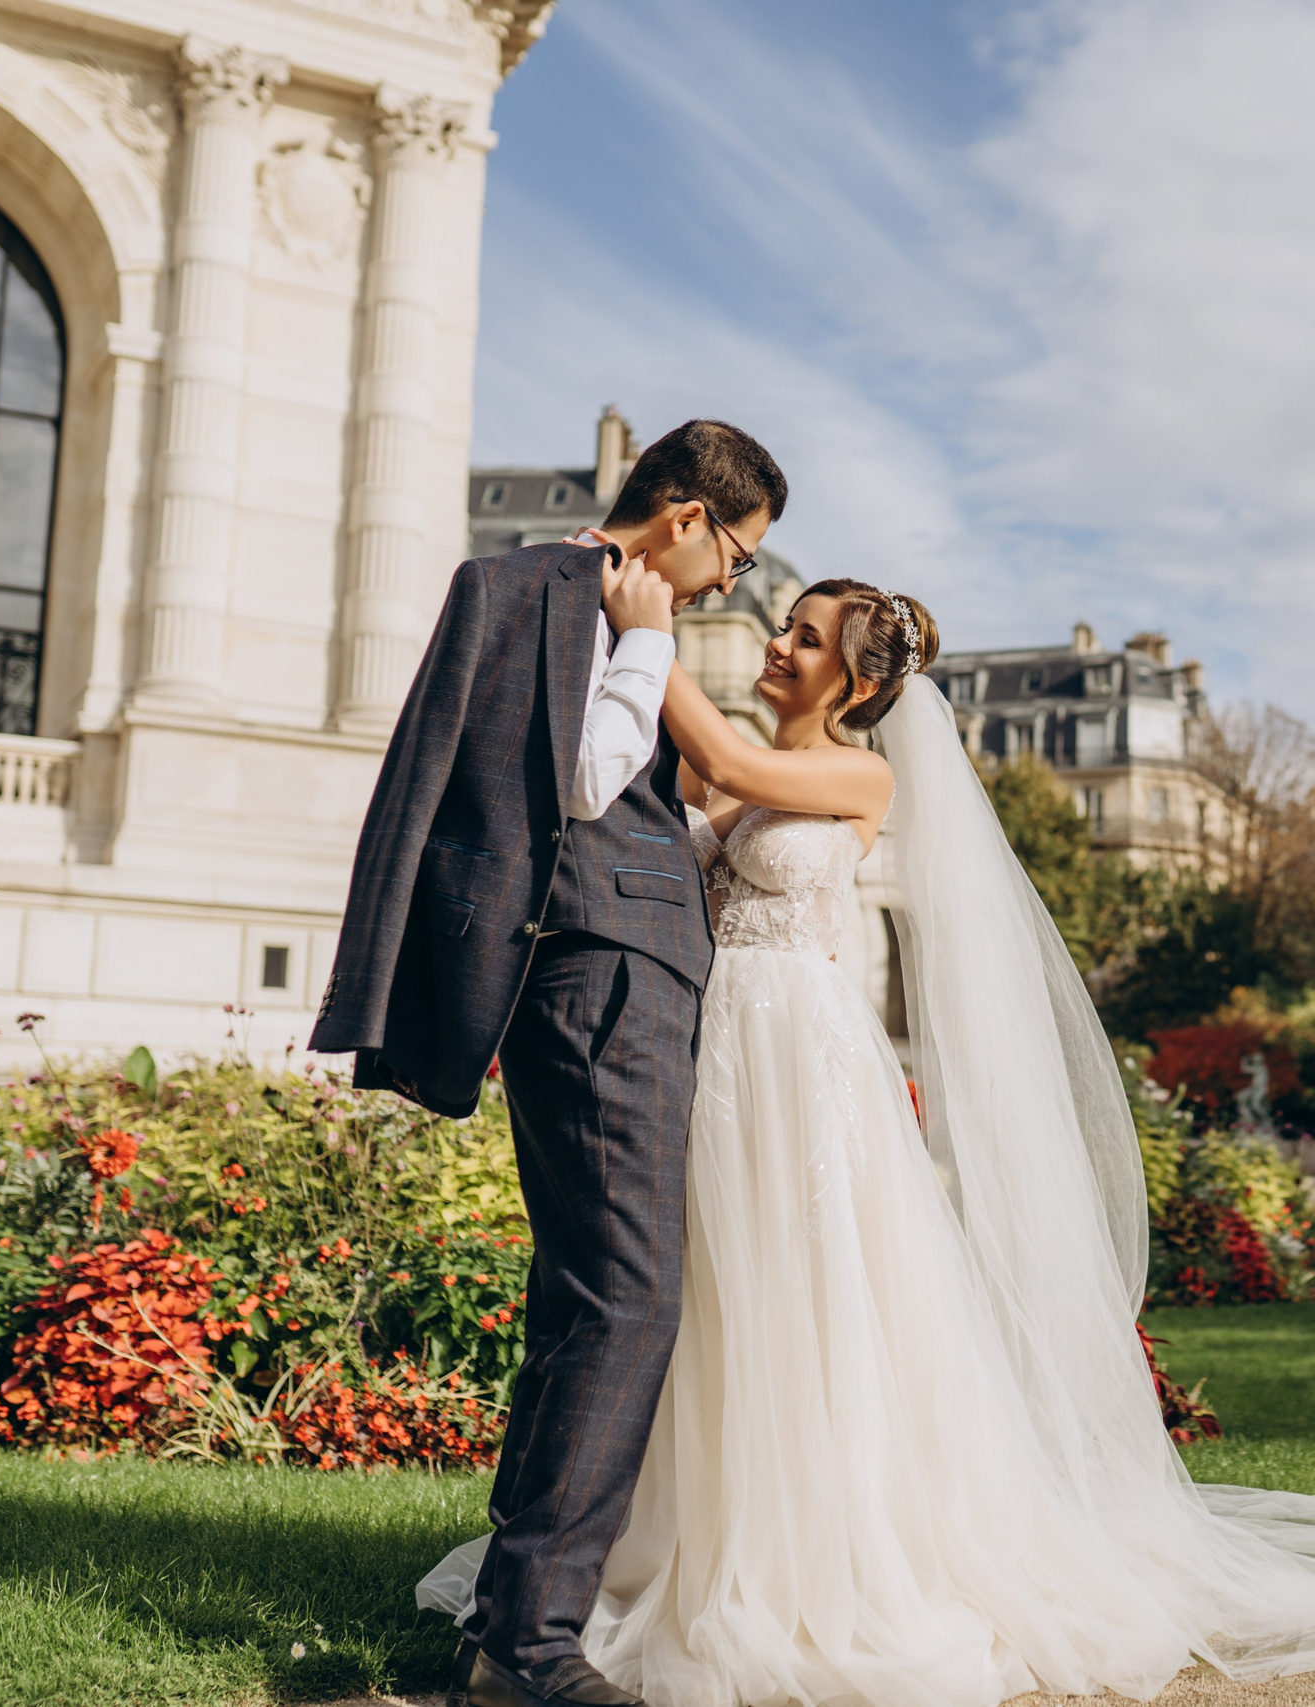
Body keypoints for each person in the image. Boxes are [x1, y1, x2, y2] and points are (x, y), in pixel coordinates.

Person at [410, 585, 1315, 1702]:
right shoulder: (752, 766)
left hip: (804, 1060)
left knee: (814, 1300)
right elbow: (685, 785)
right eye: (785, 629)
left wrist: (639, 617)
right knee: (712, 1301)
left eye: (804, 638)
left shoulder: (851, 772)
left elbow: (737, 766)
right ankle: (666, 1542)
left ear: (860, 685)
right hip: (717, 1054)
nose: (778, 647)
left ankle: (820, 1554)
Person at [313, 421, 781, 1707]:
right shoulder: (567, 598)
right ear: (682, 516)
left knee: (584, 1294)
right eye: (734, 553)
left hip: (613, 970)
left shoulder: (542, 593)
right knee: (630, 1299)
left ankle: (500, 1624)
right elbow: (575, 788)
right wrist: (647, 643)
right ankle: (528, 1651)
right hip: (601, 971)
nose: (732, 583)